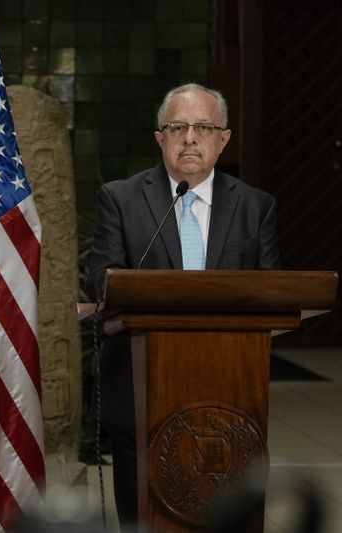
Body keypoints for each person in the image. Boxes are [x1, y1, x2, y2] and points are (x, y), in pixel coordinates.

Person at [86, 83, 280, 528]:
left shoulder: (256, 207)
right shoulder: (120, 198)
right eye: (178, 126)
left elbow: (273, 292)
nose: (190, 137)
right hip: (140, 386)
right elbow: (101, 280)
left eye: (203, 127)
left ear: (223, 138)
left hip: (231, 387)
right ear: (160, 137)